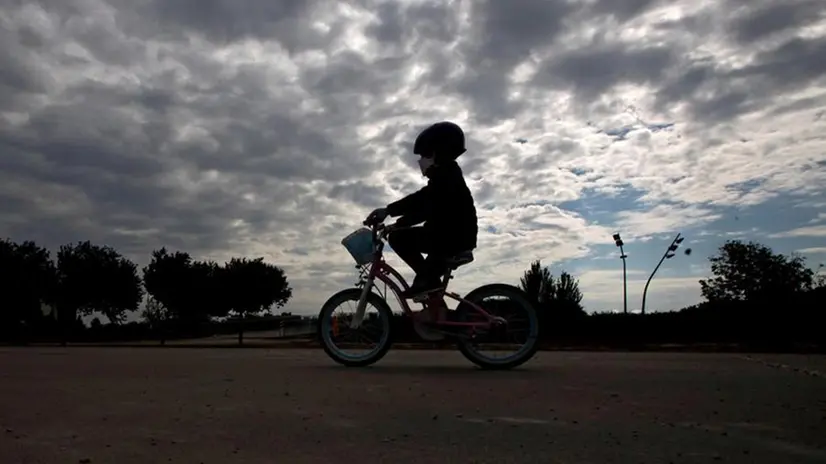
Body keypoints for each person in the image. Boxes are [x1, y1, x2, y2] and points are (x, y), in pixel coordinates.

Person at [365, 121, 478, 301]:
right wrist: (393, 217)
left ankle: (428, 282)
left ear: (438, 152)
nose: (421, 161)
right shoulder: (446, 176)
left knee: (399, 239)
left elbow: (425, 205)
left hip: (451, 239)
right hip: (450, 237)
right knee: (427, 283)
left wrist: (391, 216)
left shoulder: (446, 177)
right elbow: (425, 204)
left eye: (425, 154)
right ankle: (431, 293)